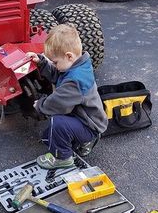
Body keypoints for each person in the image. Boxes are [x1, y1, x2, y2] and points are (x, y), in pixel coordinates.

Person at [26, 24, 108, 169]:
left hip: (89, 126)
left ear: (69, 56)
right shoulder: (77, 65)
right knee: (48, 137)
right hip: (84, 118)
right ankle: (81, 142)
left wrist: (40, 105)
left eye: (55, 62)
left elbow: (58, 102)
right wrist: (43, 62)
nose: (55, 65)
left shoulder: (76, 80)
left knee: (57, 123)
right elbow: (59, 75)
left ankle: (63, 158)